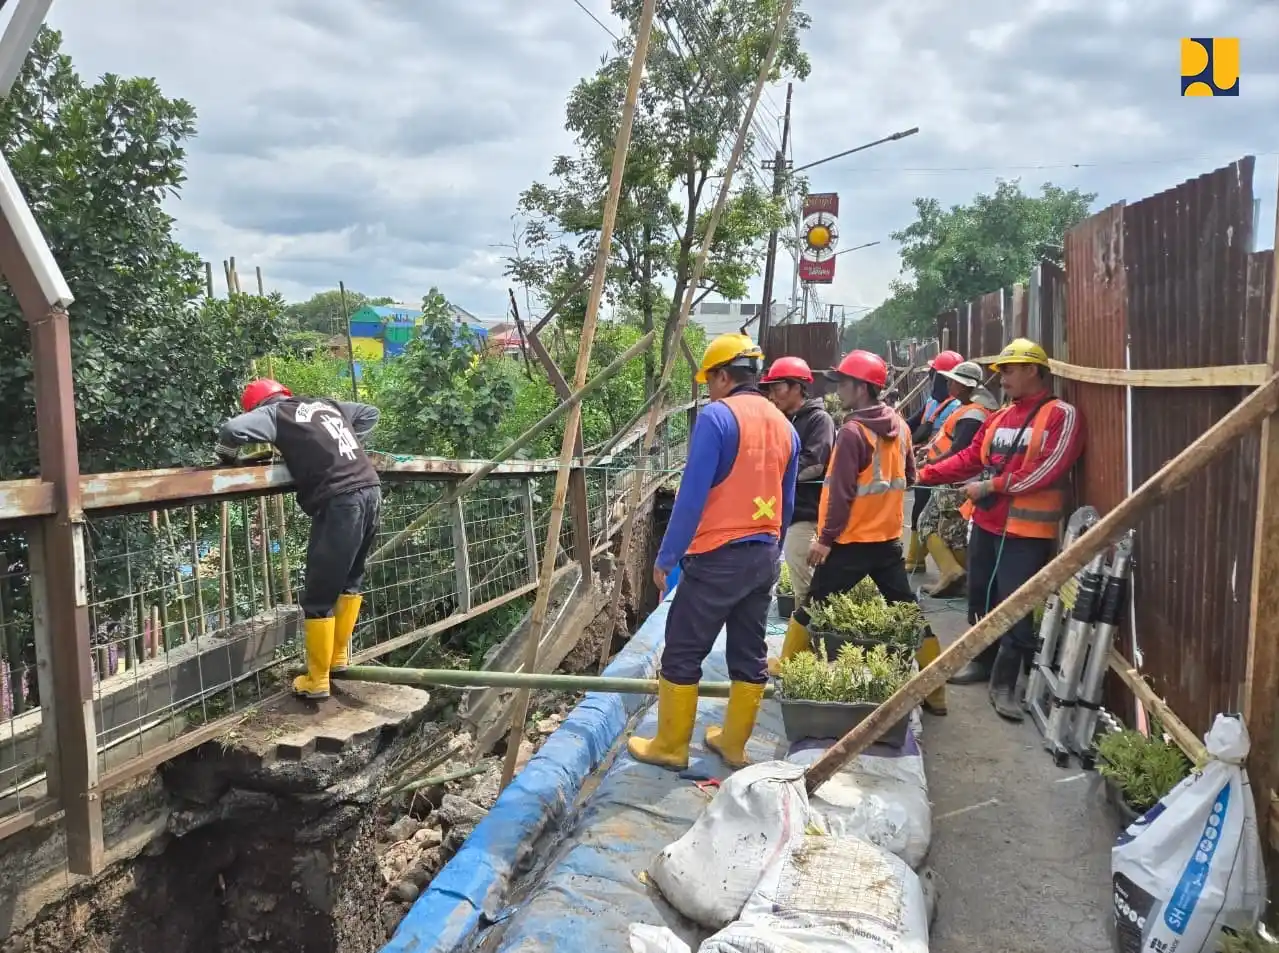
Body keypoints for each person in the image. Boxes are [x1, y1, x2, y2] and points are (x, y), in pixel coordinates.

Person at [629, 333, 799, 771]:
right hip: (764, 554)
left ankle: (670, 746)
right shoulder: (785, 425)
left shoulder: (717, 418)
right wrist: (771, 552)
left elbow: (690, 497)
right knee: (749, 650)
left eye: (710, 380)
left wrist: (667, 558)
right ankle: (733, 744)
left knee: (683, 650)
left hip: (719, 554)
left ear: (724, 376)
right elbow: (788, 499)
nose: (708, 389)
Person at [769, 349, 948, 716]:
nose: (840, 390)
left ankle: (787, 665)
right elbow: (910, 477)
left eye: (845, 383)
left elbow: (840, 493)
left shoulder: (852, 432)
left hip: (851, 543)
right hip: (886, 541)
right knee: (909, 612)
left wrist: (825, 539)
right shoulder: (899, 426)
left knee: (812, 606)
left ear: (863, 387)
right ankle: (936, 692)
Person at [917, 338, 1085, 721]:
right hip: (988, 525)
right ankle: (984, 662)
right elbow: (969, 458)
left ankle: (1007, 684)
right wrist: (925, 473)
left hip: (1026, 534)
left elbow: (1047, 469)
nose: (1001, 378)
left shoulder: (1061, 415)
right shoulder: (999, 416)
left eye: (1008, 370)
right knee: (981, 598)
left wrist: (991, 486)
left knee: (1015, 608)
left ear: (1032, 370)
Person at [215, 379, 382, 702]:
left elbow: (233, 429)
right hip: (371, 490)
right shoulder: (325, 405)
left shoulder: (276, 413)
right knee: (350, 580)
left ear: (258, 407)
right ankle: (337, 659)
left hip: (341, 499)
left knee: (319, 593)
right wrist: (333, 446)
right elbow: (369, 413)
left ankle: (317, 679)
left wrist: (227, 454)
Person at [916, 360, 998, 598]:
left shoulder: (973, 413)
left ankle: (961, 577)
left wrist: (932, 466)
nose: (948, 384)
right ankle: (954, 574)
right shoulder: (968, 408)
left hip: (959, 481)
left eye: (953, 381)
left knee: (946, 531)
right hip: (952, 478)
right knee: (936, 527)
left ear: (963, 386)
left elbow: (963, 451)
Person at [759, 355, 836, 609]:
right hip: (783, 512)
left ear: (797, 387)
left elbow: (814, 464)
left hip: (807, 513)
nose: (772, 394)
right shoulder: (780, 419)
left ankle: (806, 642)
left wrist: (771, 472)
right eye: (770, 388)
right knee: (798, 578)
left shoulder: (818, 420)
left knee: (805, 585)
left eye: (778, 387)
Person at [903, 350, 965, 574]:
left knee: (936, 519)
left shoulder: (958, 406)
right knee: (921, 509)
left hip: (946, 469)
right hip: (928, 464)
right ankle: (915, 559)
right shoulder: (932, 402)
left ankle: (952, 568)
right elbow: (911, 424)